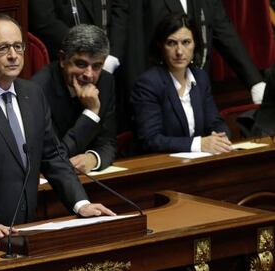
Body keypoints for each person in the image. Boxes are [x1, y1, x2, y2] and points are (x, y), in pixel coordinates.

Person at [0, 13, 114, 248]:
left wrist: (81, 204)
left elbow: (53, 156)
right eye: (2, 48)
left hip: (24, 229)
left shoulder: (33, 95)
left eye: (18, 47)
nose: (13, 55)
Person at [130, 13, 232, 154]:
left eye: (186, 42)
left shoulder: (200, 78)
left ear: (195, 44)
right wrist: (199, 144)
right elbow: (151, 140)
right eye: (171, 43)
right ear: (160, 46)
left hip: (198, 163)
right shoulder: (148, 84)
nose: (179, 51)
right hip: (162, 167)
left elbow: (215, 122)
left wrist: (220, 138)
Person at [32, 24, 116, 174]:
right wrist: (91, 113)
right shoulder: (38, 90)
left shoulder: (106, 82)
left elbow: (108, 142)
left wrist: (93, 158)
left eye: (97, 66)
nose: (89, 74)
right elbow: (54, 157)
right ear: (63, 59)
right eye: (81, 64)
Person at [28, 0, 128, 74]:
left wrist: (112, 57)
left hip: (109, 63)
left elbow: (119, 9)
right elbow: (44, 21)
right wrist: (89, 55)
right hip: (65, 63)